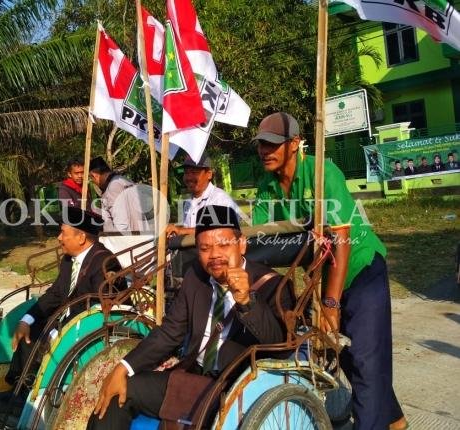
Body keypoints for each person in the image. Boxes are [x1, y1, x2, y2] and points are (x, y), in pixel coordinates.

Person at [251, 112, 407, 430]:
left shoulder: (322, 171)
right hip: (320, 278)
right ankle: (395, 419)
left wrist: (332, 304)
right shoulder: (267, 186)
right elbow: (257, 239)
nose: (265, 151)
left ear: (294, 144)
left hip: (360, 269)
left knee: (365, 358)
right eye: (261, 146)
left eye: (273, 144)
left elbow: (342, 239)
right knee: (339, 354)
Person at [88, 205, 295, 429]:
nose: (214, 255)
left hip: (237, 387)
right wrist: (123, 367)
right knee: (118, 393)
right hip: (193, 375)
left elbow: (282, 347)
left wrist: (247, 301)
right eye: (205, 248)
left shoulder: (272, 285)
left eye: (223, 244)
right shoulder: (196, 277)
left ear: (241, 244)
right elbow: (169, 332)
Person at [0, 207, 124, 412]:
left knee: (44, 336)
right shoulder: (69, 259)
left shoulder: (105, 262)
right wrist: (26, 319)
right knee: (30, 331)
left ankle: (25, 399)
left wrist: (61, 329)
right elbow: (56, 293)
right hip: (66, 320)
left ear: (81, 237)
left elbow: (101, 304)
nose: (58, 237)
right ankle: (18, 393)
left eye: (63, 232)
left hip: (88, 326)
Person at [166, 153, 241, 237]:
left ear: (209, 174)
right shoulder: (189, 202)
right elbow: (189, 229)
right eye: (186, 172)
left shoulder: (220, 199)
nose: (189, 177)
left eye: (194, 172)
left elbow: (217, 231)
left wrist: (181, 231)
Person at [89, 157, 151, 233]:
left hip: (127, 239)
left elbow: (121, 221)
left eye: (91, 178)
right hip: (141, 233)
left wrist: (117, 240)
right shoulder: (124, 180)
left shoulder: (113, 187)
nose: (94, 182)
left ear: (94, 175)